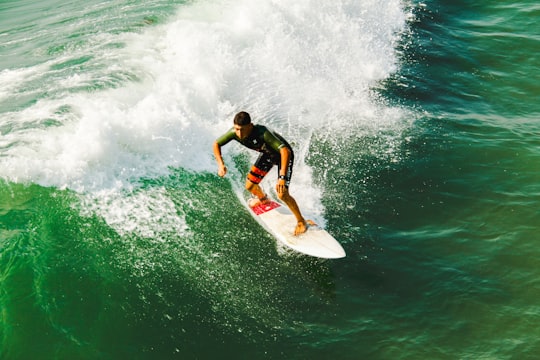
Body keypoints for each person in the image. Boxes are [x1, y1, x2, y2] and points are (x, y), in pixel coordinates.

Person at [213, 111, 308, 235]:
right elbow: (216, 144)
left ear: (250, 126)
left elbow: (284, 150)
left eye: (242, 129)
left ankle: (301, 222)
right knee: (250, 186)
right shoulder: (234, 133)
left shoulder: (262, 133)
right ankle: (264, 199)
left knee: (282, 193)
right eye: (236, 129)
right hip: (268, 155)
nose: (239, 133)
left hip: (284, 156)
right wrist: (221, 164)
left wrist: (282, 178)